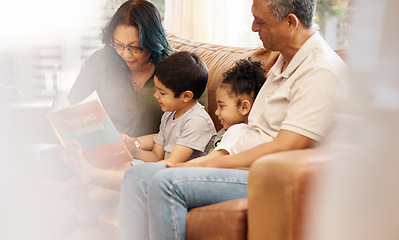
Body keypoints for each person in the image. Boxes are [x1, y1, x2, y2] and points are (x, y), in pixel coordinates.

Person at [118, 0, 347, 239]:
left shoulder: (320, 72)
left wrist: (206, 163)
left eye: (261, 21)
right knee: (136, 175)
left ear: (290, 22)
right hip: (245, 166)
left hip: (264, 175)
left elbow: (287, 147)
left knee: (167, 184)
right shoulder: (284, 61)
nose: (253, 28)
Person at [69, 51, 215, 224]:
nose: (156, 96)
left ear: (186, 96)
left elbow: (173, 164)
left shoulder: (196, 122)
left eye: (161, 92)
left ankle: (92, 200)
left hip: (179, 176)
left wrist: (138, 171)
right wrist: (133, 150)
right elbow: (156, 156)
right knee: (124, 161)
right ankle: (92, 199)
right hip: (165, 169)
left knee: (132, 173)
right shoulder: (170, 114)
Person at [199, 58, 265, 159]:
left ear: (244, 107)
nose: (216, 112)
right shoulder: (227, 130)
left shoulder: (239, 131)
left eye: (221, 106)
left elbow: (210, 161)